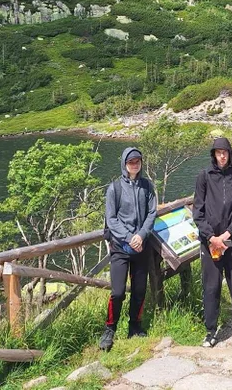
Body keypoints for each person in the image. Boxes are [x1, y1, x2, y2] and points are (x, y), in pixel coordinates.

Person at [193, 136, 232, 347]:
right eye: (218, 152)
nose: (222, 155)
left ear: (230, 153)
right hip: (210, 243)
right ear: (213, 154)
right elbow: (198, 211)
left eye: (225, 152)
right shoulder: (204, 176)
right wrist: (211, 237)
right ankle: (210, 331)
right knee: (211, 287)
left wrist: (227, 235)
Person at [100, 146, 157, 351]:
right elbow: (111, 219)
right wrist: (128, 237)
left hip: (141, 246)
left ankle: (135, 325)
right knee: (117, 292)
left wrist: (140, 236)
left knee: (140, 289)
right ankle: (110, 328)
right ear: (124, 164)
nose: (135, 164)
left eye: (138, 161)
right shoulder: (114, 188)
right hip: (120, 247)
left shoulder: (147, 186)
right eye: (131, 161)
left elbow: (152, 213)